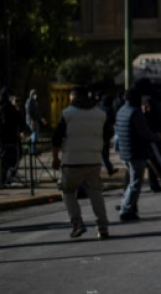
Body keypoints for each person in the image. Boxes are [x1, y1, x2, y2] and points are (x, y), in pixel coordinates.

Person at [52, 86, 110, 240]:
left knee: (68, 191)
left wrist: (55, 158)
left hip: (72, 162)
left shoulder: (67, 114)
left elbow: (56, 138)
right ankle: (103, 226)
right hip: (93, 161)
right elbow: (107, 135)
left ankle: (77, 223)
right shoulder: (100, 114)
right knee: (96, 193)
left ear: (73, 97)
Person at [115, 87, 156, 221]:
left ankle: (129, 207)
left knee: (131, 182)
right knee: (135, 183)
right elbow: (144, 132)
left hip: (125, 152)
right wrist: (156, 137)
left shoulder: (121, 111)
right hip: (136, 152)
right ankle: (125, 209)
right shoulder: (135, 112)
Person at [0, 87, 25, 186]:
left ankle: (2, 181)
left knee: (3, 161)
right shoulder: (8, 108)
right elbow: (18, 121)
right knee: (10, 160)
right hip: (8, 139)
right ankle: (3, 181)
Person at [24, 89, 44, 154]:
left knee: (35, 133)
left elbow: (37, 112)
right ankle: (33, 150)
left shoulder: (35, 102)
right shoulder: (29, 101)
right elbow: (28, 112)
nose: (36, 95)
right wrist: (32, 120)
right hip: (30, 120)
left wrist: (41, 119)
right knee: (35, 133)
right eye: (34, 94)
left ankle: (27, 146)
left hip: (34, 119)